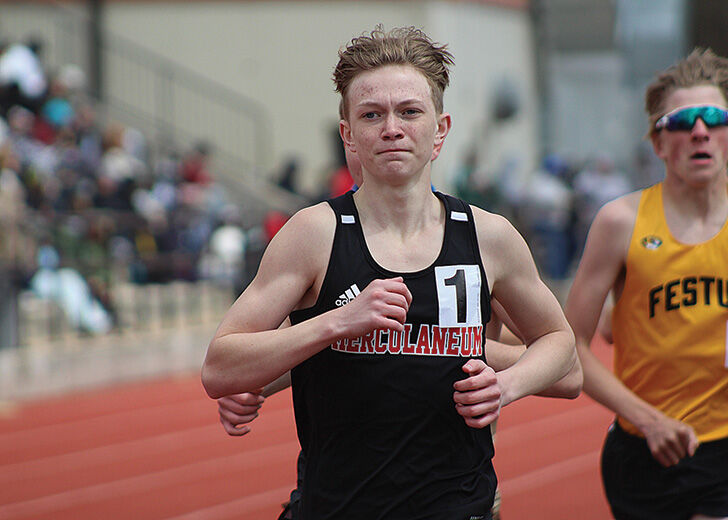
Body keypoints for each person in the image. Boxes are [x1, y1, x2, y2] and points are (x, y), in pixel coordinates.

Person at [202, 26, 578, 519]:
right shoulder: (314, 234)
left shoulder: (488, 237)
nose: (392, 128)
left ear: (440, 130)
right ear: (348, 135)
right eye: (372, 115)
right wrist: (336, 322)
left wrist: (504, 384)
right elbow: (220, 368)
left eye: (410, 111)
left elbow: (564, 354)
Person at [564, 48, 728, 520]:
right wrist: (647, 419)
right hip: (646, 448)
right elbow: (568, 344)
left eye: (712, 118)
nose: (699, 131)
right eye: (682, 121)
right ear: (659, 143)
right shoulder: (619, 223)